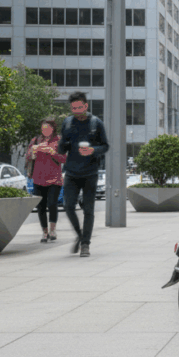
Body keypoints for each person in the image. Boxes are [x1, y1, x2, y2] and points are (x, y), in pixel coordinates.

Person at [58, 91, 109, 257]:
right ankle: (80, 235)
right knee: (68, 206)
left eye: (79, 107)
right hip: (71, 172)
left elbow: (105, 146)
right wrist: (61, 143)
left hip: (90, 173)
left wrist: (93, 150)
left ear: (86, 106)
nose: (77, 111)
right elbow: (61, 149)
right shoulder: (67, 123)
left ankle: (85, 244)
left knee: (88, 210)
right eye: (74, 108)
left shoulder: (96, 123)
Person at [26, 117, 66, 243]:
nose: (45, 130)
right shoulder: (36, 140)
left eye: (47, 128)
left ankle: (52, 230)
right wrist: (35, 149)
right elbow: (28, 156)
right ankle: (44, 232)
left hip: (54, 179)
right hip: (38, 178)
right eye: (43, 128)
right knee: (41, 206)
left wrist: (52, 152)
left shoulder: (59, 140)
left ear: (53, 128)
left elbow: (64, 159)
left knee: (52, 203)